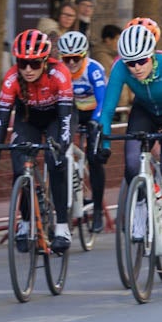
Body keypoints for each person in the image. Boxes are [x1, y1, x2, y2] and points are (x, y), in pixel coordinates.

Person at [97, 22, 162, 266]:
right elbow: (107, 110)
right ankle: (141, 207)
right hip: (145, 111)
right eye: (131, 63)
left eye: (142, 61)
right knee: (131, 163)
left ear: (151, 55)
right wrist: (104, 143)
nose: (137, 67)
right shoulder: (121, 68)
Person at [0, 30, 74, 255]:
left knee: (55, 162)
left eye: (34, 64)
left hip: (57, 117)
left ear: (44, 61)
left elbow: (65, 119)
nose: (28, 70)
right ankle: (24, 222)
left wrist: (61, 146)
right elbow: (2, 119)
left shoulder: (59, 74)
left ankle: (62, 227)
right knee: (19, 165)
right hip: (28, 119)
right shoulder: (12, 78)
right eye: (23, 64)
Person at [56, 30, 108, 230]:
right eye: (66, 58)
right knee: (61, 149)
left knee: (94, 158)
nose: (70, 63)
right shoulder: (60, 71)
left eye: (75, 58)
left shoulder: (93, 69)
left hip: (95, 111)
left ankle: (97, 211)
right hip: (74, 111)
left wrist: (96, 122)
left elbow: (103, 100)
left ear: (84, 55)